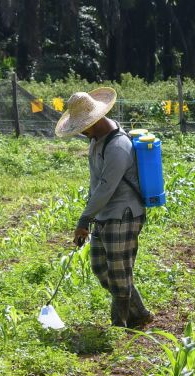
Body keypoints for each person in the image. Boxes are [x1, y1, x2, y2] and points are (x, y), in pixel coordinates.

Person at [55, 86, 153, 329]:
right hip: (103, 215)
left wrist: (84, 219)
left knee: (120, 274)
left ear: (95, 121)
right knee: (100, 267)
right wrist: (91, 216)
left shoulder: (119, 146)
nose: (81, 133)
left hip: (123, 215)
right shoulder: (97, 141)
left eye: (82, 127)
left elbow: (106, 188)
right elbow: (95, 184)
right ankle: (140, 312)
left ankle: (119, 324)